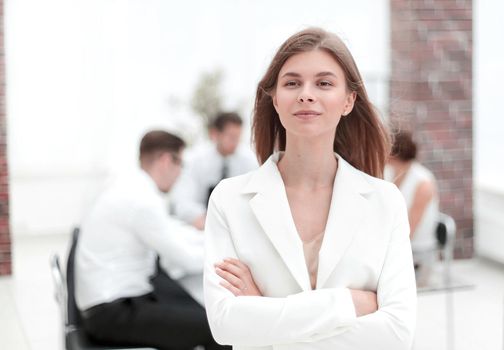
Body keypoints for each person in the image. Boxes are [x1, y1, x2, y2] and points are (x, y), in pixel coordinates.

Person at [203, 28, 416, 350]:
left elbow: (398, 333)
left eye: (324, 83)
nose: (306, 94)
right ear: (275, 99)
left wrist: (264, 314)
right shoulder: (229, 199)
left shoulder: (385, 202)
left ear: (348, 100)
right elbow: (225, 325)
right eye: (292, 83)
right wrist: (349, 304)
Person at [75, 130, 228, 350]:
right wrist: (230, 253)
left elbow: (170, 230)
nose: (180, 173)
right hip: (111, 312)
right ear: (166, 160)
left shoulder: (133, 187)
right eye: (181, 164)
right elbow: (185, 257)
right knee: (215, 328)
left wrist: (210, 237)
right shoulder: (143, 200)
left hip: (107, 299)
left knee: (192, 304)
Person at [170, 112, 258, 230]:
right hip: (201, 227)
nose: (235, 142)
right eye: (231, 137)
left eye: (238, 137)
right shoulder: (195, 161)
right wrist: (203, 219)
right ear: (215, 134)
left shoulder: (249, 162)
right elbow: (182, 200)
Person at [386, 130, 440, 284]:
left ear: (392, 152)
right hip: (397, 247)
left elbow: (409, 231)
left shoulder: (423, 182)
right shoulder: (391, 173)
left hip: (417, 254)